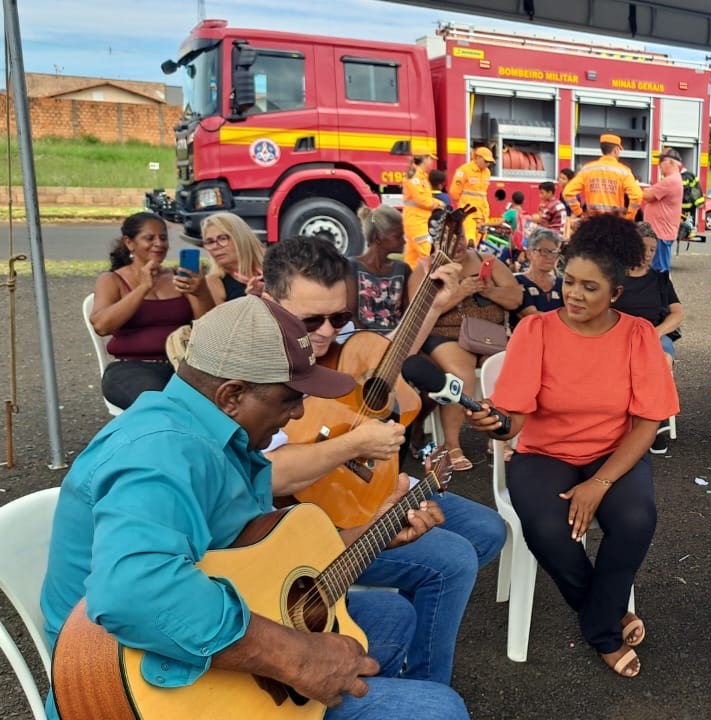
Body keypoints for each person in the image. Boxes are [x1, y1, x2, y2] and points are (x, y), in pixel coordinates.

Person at [41, 295, 468, 720]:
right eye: (289, 399)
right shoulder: (161, 454)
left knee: (390, 616)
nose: (299, 411)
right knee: (440, 710)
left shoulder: (219, 434)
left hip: (185, 640)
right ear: (232, 395)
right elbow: (131, 593)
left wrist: (372, 532)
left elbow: (255, 559)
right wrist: (297, 658)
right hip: (134, 682)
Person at [262, 236, 507, 687]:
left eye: (339, 317)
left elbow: (384, 354)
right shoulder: (251, 367)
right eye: (310, 319)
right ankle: (427, 683)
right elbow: (261, 474)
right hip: (304, 521)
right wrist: (354, 447)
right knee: (452, 560)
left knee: (489, 530)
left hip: (360, 485)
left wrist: (431, 305)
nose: (325, 331)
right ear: (266, 298)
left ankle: (400, 636)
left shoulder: (331, 345)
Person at [465, 214, 679, 678]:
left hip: (612, 452)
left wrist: (599, 484)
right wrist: (496, 425)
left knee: (636, 520)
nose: (574, 295)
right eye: (569, 281)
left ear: (616, 294)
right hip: (544, 454)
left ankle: (599, 619)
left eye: (590, 287)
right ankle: (604, 622)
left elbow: (647, 423)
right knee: (547, 529)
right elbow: (514, 419)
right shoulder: (536, 331)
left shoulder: (638, 335)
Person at [413, 226, 523, 472]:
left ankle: (499, 435)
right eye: (448, 239)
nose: (457, 244)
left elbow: (516, 298)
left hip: (488, 335)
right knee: (460, 377)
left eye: (460, 237)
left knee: (506, 368)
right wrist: (460, 292)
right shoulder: (425, 267)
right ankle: (451, 444)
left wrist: (488, 289)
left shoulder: (488, 261)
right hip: (445, 334)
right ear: (436, 242)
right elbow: (416, 314)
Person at [90, 211, 214, 410]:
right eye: (150, 238)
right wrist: (143, 288)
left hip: (182, 363)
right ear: (129, 243)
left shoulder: (178, 277)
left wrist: (201, 292)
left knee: (223, 401)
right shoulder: (112, 280)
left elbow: (208, 325)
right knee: (162, 403)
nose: (159, 243)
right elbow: (102, 326)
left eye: (163, 238)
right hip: (132, 367)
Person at [614, 222, 683, 454]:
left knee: (662, 360)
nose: (647, 254)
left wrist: (656, 332)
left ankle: (656, 421)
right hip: (618, 334)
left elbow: (677, 313)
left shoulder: (660, 279)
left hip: (654, 333)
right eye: (643, 248)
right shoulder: (613, 278)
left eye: (653, 249)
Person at [350, 204, 411, 334]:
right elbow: (351, 315)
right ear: (378, 237)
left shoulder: (403, 269)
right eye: (398, 236)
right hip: (361, 341)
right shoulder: (351, 267)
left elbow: (408, 315)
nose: (404, 242)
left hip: (397, 340)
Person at [562, 133, 643, 221]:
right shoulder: (624, 171)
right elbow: (637, 195)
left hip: (593, 221)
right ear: (615, 150)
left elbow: (567, 192)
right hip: (615, 222)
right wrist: (629, 217)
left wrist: (579, 213)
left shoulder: (587, 169)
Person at [201, 212, 264, 304]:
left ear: (240, 238)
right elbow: (223, 318)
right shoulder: (214, 282)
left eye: (222, 238)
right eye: (209, 242)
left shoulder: (276, 266)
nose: (215, 246)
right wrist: (251, 299)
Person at [512, 228, 564, 328]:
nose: (550, 256)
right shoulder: (517, 282)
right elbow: (532, 316)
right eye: (544, 251)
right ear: (529, 253)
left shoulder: (562, 284)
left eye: (554, 252)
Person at [642, 149, 684, 273]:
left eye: (661, 161)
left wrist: (636, 188)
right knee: (659, 269)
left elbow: (647, 196)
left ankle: (661, 291)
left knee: (659, 270)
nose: (659, 165)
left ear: (670, 162)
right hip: (662, 232)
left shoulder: (670, 181)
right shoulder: (673, 180)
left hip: (661, 233)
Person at [403, 155, 446, 271]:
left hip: (418, 220)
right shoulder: (415, 177)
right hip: (417, 221)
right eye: (430, 159)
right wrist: (439, 204)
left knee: (412, 257)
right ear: (424, 159)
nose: (432, 161)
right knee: (425, 254)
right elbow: (422, 200)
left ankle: (409, 281)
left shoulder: (422, 176)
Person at [449, 146, 494, 245]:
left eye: (489, 162)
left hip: (482, 212)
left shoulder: (487, 172)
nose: (488, 164)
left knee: (480, 238)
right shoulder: (464, 170)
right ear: (477, 158)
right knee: (469, 237)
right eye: (486, 161)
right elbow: (454, 192)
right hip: (469, 210)